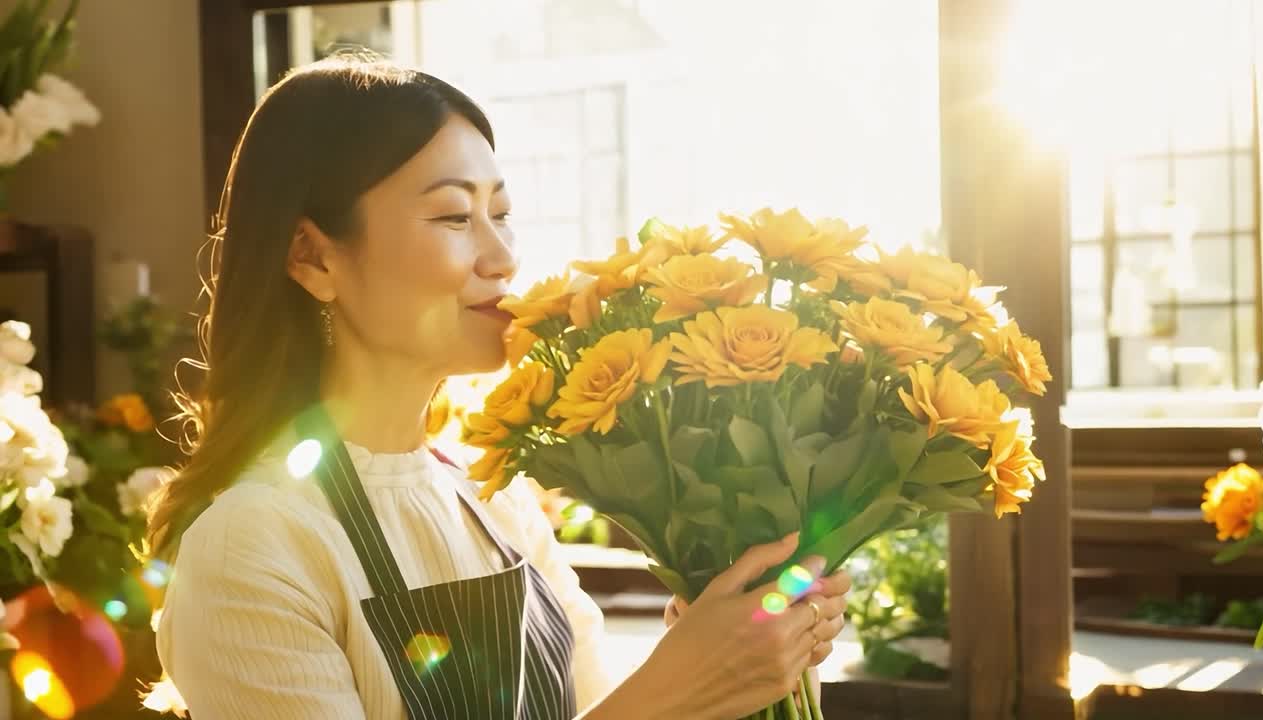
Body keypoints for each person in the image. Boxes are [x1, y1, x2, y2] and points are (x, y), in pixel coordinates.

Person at [149, 56, 851, 720]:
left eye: (502, 214)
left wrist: (740, 656)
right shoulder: (251, 544)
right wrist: (675, 691)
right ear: (312, 257)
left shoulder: (496, 501)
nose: (503, 256)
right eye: (455, 216)